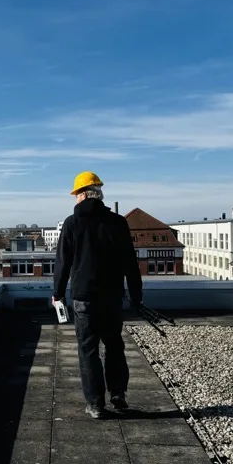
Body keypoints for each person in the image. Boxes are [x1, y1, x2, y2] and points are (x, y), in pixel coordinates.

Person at [52, 171, 143, 419]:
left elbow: (63, 262)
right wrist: (136, 296)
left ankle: (95, 404)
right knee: (114, 345)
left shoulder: (72, 223)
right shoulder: (117, 222)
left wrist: (57, 293)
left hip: (84, 297)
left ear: (81, 195)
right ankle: (118, 394)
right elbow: (130, 264)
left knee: (88, 350)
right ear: (99, 193)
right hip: (112, 296)